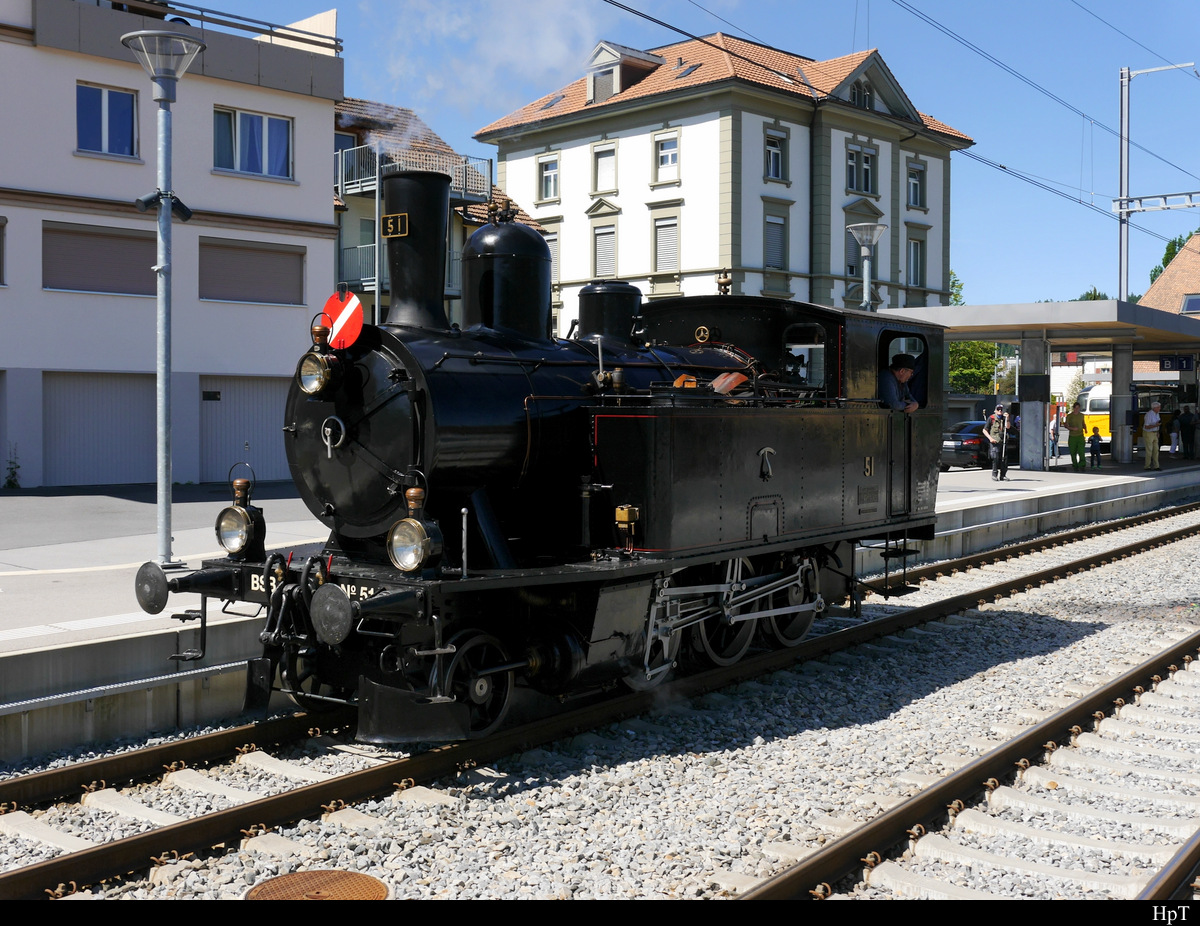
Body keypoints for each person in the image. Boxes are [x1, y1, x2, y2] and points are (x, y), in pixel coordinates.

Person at [984, 404, 1010, 481]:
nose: (1000, 411)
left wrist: (1007, 418)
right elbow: (985, 430)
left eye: (1001, 409)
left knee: (1004, 459)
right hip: (995, 441)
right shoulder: (991, 418)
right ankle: (994, 474)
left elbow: (1008, 427)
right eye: (998, 409)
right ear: (995, 410)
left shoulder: (1004, 418)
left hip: (1003, 441)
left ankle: (1003, 475)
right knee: (995, 458)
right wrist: (990, 438)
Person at [1065, 401, 1086, 472]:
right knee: (1073, 452)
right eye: (1076, 408)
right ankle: (1075, 465)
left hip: (1080, 435)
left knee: (1081, 451)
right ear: (1073, 408)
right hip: (1072, 436)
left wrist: (1085, 428)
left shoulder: (1082, 415)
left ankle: (1082, 465)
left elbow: (1083, 423)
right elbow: (1066, 425)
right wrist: (1072, 428)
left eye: (1078, 408)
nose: (1077, 409)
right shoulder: (1069, 416)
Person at [1143, 401, 1162, 471]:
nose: (1160, 408)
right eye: (1158, 407)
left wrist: (1157, 431)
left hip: (1155, 432)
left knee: (1156, 450)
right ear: (1154, 408)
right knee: (1149, 450)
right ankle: (1147, 466)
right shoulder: (1149, 414)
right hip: (1148, 433)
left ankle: (1156, 466)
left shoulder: (1157, 414)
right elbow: (1146, 426)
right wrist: (1155, 425)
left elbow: (1158, 423)